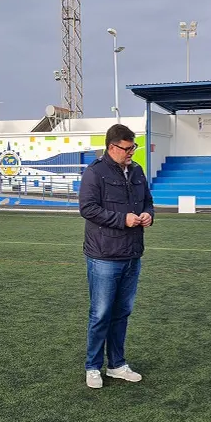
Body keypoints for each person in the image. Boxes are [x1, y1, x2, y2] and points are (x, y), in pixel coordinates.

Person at [78, 123, 154, 389]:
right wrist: (123, 219)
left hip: (132, 254)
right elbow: (87, 209)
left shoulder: (137, 171)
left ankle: (117, 364)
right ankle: (92, 366)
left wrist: (148, 215)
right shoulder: (95, 173)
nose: (131, 152)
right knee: (101, 313)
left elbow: (148, 202)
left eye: (133, 147)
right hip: (103, 255)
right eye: (127, 148)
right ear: (112, 147)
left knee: (122, 312)